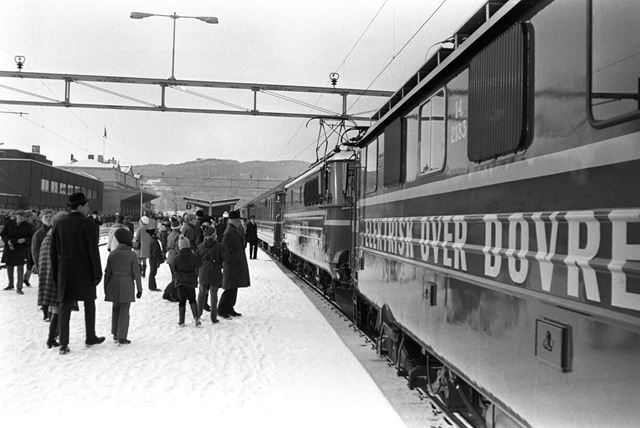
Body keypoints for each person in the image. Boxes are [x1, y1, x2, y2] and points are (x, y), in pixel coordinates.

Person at [51, 192, 105, 355]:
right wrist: (97, 273)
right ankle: (90, 336)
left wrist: (56, 273)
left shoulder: (59, 224)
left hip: (64, 270)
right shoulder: (88, 224)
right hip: (84, 269)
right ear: (80, 206)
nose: (88, 208)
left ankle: (64, 343)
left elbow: (53, 251)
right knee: (89, 303)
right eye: (86, 205)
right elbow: (92, 250)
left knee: (65, 306)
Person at [104, 228, 142, 345]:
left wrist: (106, 288)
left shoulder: (113, 254)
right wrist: (139, 289)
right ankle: (122, 336)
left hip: (114, 283)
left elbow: (107, 273)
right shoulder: (131, 255)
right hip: (126, 284)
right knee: (125, 310)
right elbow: (136, 274)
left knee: (115, 309)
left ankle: (115, 333)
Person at [37, 211, 67, 348]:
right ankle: (52, 338)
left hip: (49, 278)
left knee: (56, 309)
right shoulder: (56, 239)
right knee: (58, 309)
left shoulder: (48, 237)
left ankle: (53, 337)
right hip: (55, 278)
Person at [218, 210, 250, 318]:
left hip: (236, 264)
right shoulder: (229, 233)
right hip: (232, 265)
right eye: (238, 220)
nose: (239, 222)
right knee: (229, 288)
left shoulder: (234, 230)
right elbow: (226, 251)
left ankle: (230, 308)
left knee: (234, 287)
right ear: (234, 220)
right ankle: (222, 309)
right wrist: (232, 261)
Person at [0, 210, 32, 294]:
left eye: (23, 216)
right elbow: (3, 234)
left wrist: (25, 239)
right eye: (19, 215)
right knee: (9, 266)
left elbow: (32, 237)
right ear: (16, 216)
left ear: (25, 217)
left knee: (20, 268)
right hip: (9, 247)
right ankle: (10, 284)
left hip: (20, 248)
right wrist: (7, 241)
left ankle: (19, 287)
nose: (21, 217)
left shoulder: (28, 226)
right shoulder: (9, 223)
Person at [196, 225, 223, 324]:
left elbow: (196, 260)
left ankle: (198, 315)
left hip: (203, 272)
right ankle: (213, 317)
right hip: (215, 272)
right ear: (213, 235)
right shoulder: (219, 246)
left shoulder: (199, 246)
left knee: (201, 293)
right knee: (213, 295)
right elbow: (224, 259)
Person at [174, 236, 201, 326]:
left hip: (181, 281)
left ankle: (181, 321)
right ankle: (196, 318)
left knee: (182, 301)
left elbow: (175, 269)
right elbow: (198, 264)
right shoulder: (193, 256)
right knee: (192, 299)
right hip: (191, 281)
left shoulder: (177, 257)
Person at [32, 209, 54, 319]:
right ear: (41, 219)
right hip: (44, 266)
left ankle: (52, 311)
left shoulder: (56, 231)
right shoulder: (38, 234)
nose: (49, 219)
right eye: (46, 217)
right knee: (44, 289)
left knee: (52, 288)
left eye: (50, 217)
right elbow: (35, 252)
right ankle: (46, 312)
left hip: (54, 265)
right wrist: (37, 265)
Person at [163, 218, 181, 302]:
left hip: (170, 256)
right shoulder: (179, 236)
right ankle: (167, 293)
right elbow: (178, 248)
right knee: (176, 278)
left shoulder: (170, 234)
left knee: (174, 277)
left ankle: (174, 295)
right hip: (176, 257)